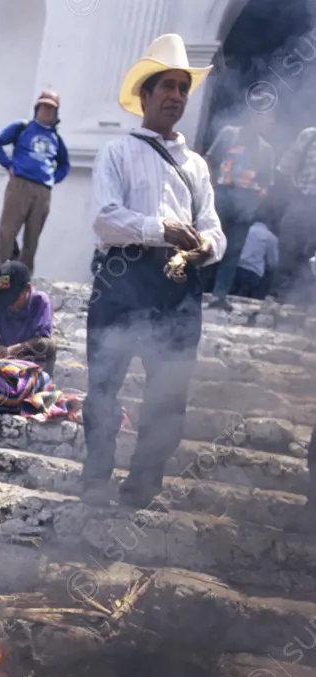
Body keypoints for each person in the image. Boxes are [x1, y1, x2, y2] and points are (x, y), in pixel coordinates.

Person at [82, 33, 226, 509]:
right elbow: (105, 218)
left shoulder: (198, 166)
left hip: (179, 287)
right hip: (123, 279)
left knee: (169, 392)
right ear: (144, 95)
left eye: (183, 88)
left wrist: (204, 245)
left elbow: (215, 230)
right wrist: (161, 229)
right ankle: (96, 483)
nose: (176, 97)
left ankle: (142, 487)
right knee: (104, 384)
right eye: (166, 86)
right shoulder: (116, 153)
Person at [0, 90, 70, 275]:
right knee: (8, 231)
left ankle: (23, 278)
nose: (47, 111)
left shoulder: (56, 138)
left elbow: (65, 164)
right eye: (44, 106)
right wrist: (8, 164)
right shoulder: (22, 127)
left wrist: (52, 178)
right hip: (20, 184)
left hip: (43, 191)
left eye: (51, 108)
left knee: (33, 237)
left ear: (56, 113)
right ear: (37, 108)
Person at [205, 113, 275, 311]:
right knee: (207, 243)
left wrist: (258, 197)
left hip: (246, 200)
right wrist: (208, 188)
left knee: (233, 250)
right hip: (222, 195)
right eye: (264, 117)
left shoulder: (265, 149)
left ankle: (219, 295)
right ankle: (190, 289)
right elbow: (209, 160)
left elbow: (266, 181)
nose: (268, 122)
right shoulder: (229, 134)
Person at [275, 127, 316, 304]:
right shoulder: (308, 136)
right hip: (302, 199)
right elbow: (285, 166)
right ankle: (280, 297)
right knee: (288, 247)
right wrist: (291, 193)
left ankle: (308, 301)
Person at [233, 217, 279, 299]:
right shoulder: (271, 237)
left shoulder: (245, 230)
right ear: (269, 224)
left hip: (234, 269)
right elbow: (273, 263)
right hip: (253, 274)